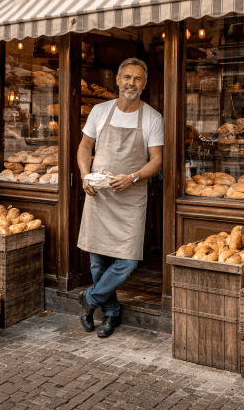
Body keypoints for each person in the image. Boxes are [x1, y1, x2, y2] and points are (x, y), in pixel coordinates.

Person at [77, 58, 163, 337]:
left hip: (131, 197)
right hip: (100, 194)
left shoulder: (152, 117)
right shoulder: (99, 111)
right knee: (97, 262)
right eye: (127, 77)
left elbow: (157, 161)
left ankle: (90, 298)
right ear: (117, 79)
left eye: (138, 79)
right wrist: (83, 175)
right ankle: (111, 313)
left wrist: (133, 177)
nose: (131, 83)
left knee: (127, 260)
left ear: (145, 84)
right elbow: (84, 147)